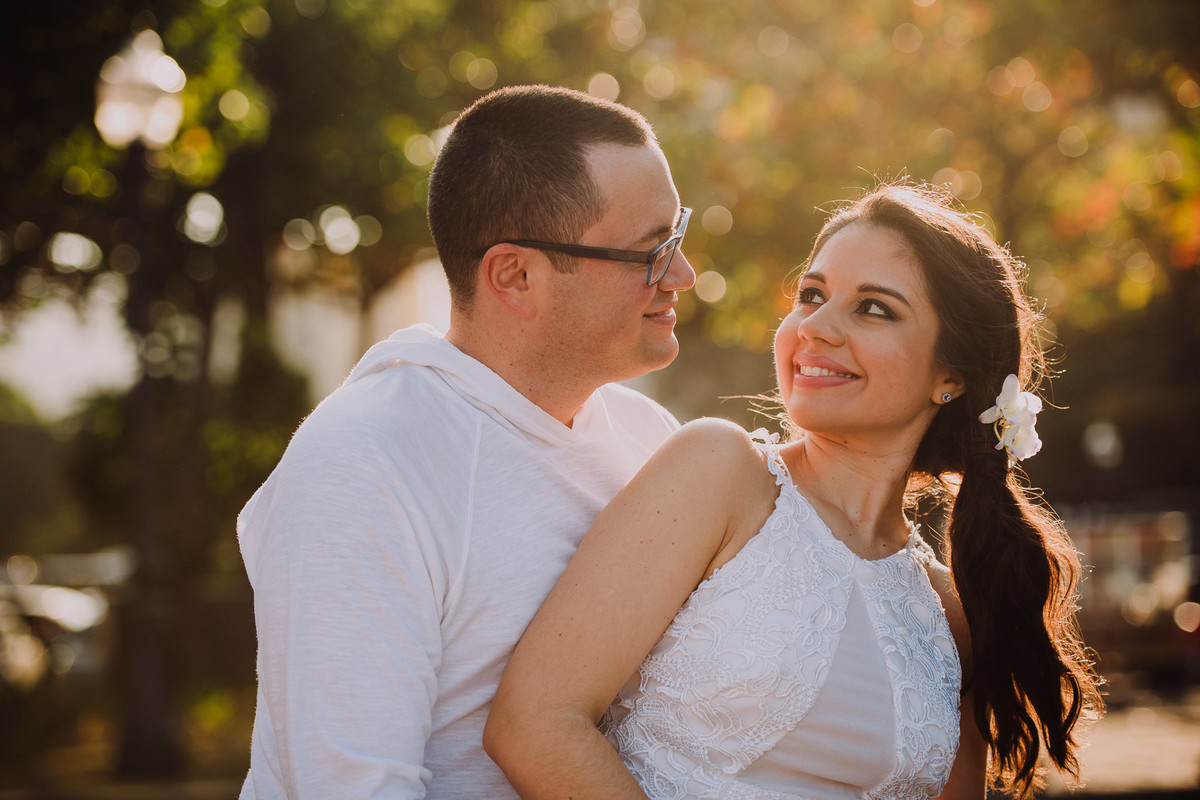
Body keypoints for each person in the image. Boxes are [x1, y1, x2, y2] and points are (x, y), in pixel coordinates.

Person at [485, 181, 1104, 799]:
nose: (816, 327)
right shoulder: (720, 472)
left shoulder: (946, 610)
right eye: (812, 295)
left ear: (951, 376)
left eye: (873, 308)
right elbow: (535, 724)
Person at [236, 85, 696, 799]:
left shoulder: (651, 441)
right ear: (516, 275)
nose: (684, 275)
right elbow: (353, 785)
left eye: (679, 236)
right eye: (652, 250)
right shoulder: (364, 463)